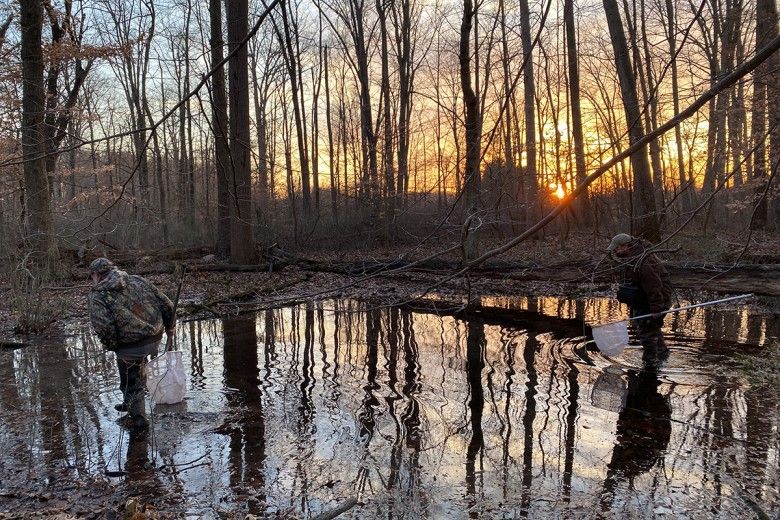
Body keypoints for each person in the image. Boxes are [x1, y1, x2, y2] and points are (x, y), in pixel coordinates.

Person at [88, 257, 176, 431]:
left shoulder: (97, 294)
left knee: (130, 382)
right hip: (155, 337)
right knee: (136, 370)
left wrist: (114, 347)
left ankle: (138, 420)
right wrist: (169, 326)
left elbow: (104, 328)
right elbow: (168, 304)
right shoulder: (137, 280)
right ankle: (131, 402)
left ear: (96, 274)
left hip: (131, 347)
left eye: (92, 276)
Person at [607, 233, 673, 363]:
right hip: (643, 299)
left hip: (654, 300)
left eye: (616, 249)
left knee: (647, 332)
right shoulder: (632, 258)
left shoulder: (642, 261)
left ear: (625, 246)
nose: (615, 252)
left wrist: (656, 309)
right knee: (652, 329)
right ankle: (662, 354)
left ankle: (650, 363)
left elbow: (654, 286)